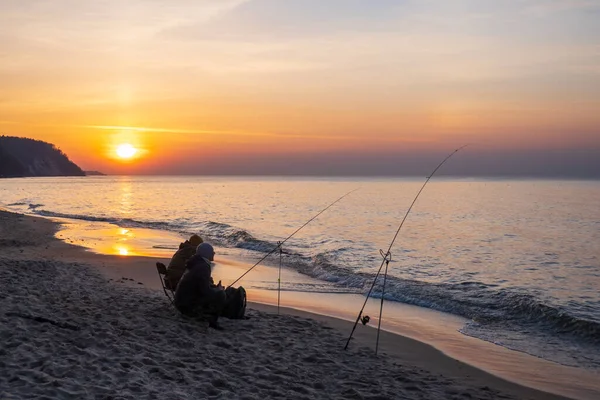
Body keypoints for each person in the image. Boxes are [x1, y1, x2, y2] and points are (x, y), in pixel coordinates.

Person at [174, 242, 226, 330]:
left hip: (180, 301)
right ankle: (213, 322)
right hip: (186, 306)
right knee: (221, 295)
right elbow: (205, 291)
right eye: (212, 252)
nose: (214, 253)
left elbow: (199, 285)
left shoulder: (195, 262)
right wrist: (218, 290)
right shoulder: (203, 267)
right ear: (207, 253)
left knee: (216, 290)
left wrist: (213, 287)